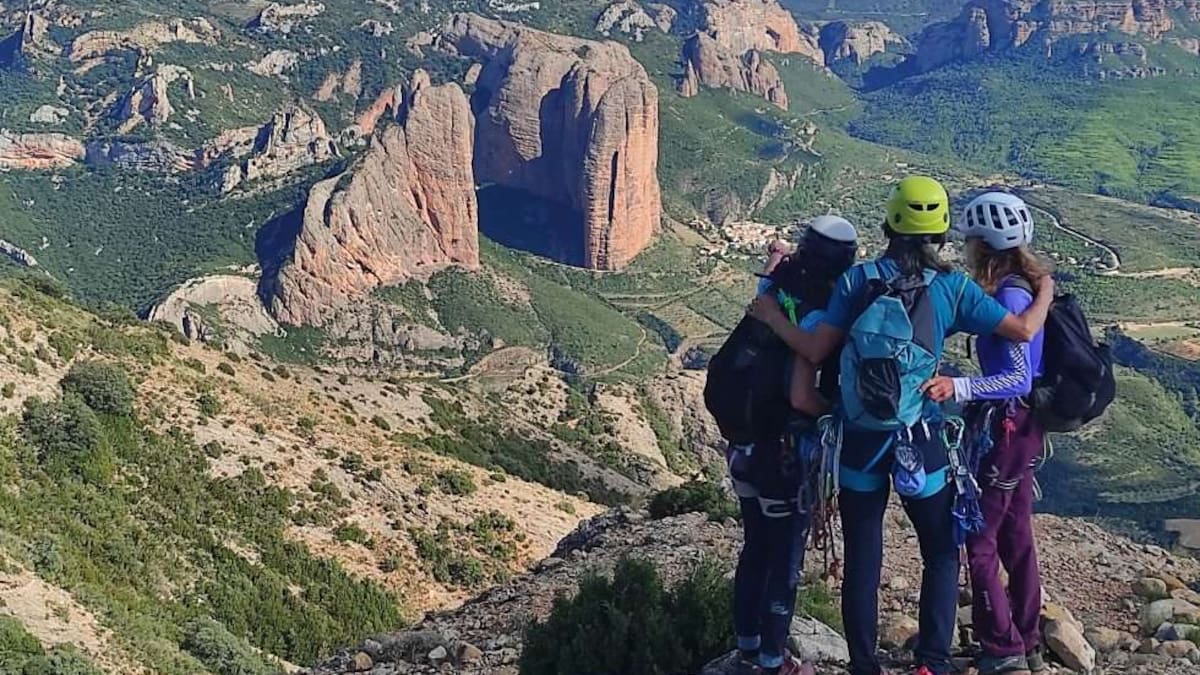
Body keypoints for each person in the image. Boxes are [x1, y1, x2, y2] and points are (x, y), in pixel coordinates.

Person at [749, 177, 1055, 675]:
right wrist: (1043, 291)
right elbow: (1021, 330)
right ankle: (931, 660)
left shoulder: (859, 281)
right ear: (940, 233)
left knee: (864, 559)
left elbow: (814, 349)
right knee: (939, 551)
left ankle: (864, 664)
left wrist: (771, 314)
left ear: (890, 223)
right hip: (920, 437)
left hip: (860, 438)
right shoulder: (953, 287)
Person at [922, 192, 1051, 675]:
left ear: (983, 244)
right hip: (1021, 431)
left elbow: (1015, 378)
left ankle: (1003, 648)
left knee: (979, 540)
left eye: (972, 240)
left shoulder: (1012, 295)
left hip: (1007, 429)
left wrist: (959, 385)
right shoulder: (1026, 287)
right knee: (1016, 533)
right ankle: (1028, 636)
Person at [729, 216, 859, 675]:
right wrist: (838, 415)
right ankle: (770, 659)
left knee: (755, 547)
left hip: (743, 446)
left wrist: (776, 257)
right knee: (784, 560)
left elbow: (769, 281)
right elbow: (802, 395)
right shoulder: (816, 312)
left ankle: (746, 644)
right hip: (781, 457)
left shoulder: (775, 289)